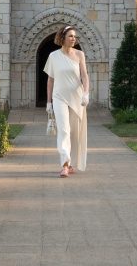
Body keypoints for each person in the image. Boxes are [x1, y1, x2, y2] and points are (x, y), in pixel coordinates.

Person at [44, 25, 89, 177]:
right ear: (62, 38)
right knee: (64, 130)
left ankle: (70, 164)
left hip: (77, 98)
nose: (73, 39)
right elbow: (50, 81)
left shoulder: (80, 54)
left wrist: (86, 93)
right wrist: (49, 102)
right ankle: (64, 164)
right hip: (59, 97)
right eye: (70, 36)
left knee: (74, 133)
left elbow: (84, 76)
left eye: (75, 36)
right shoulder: (53, 56)